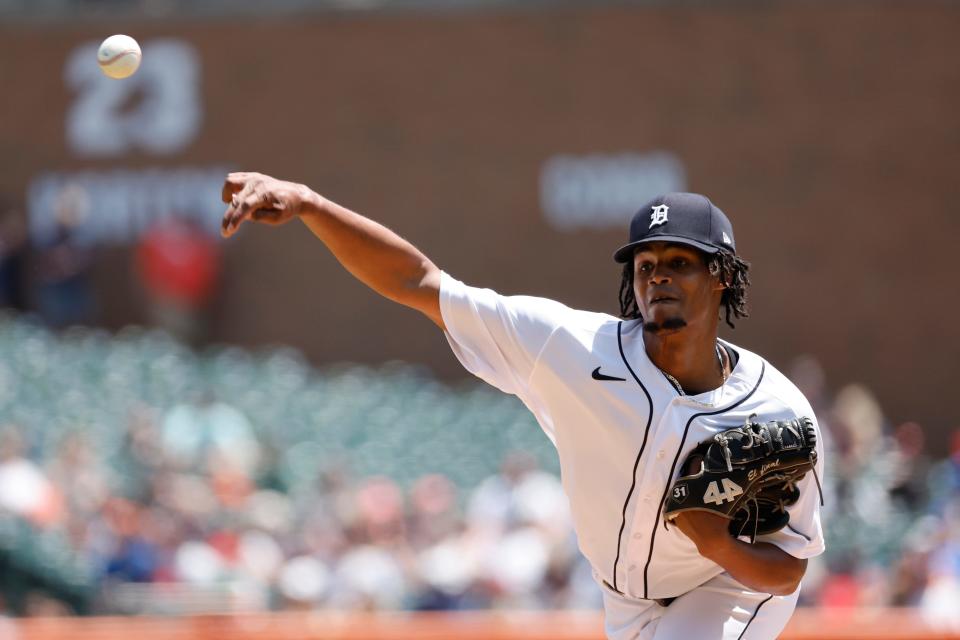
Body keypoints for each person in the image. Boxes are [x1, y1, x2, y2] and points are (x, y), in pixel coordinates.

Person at [220, 174, 825, 639]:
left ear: (721, 276)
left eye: (679, 263)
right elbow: (421, 283)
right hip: (621, 597)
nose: (657, 277)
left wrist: (720, 546)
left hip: (727, 588)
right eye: (646, 265)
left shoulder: (775, 413)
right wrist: (309, 204)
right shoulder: (570, 348)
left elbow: (789, 571)